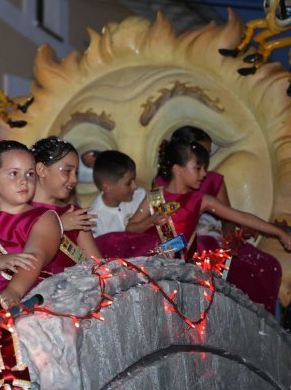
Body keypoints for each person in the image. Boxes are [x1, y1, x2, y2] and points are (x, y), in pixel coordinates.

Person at [126, 138, 291, 312]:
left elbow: (242, 217)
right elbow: (130, 228)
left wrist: (279, 232)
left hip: (184, 269)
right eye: (198, 168)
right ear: (178, 170)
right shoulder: (155, 197)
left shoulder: (200, 200)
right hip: (153, 265)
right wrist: (151, 220)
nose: (204, 174)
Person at [0, 139, 62, 306]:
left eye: (30, 174)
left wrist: (14, 291)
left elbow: (34, 258)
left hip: (26, 294)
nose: (24, 181)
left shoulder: (44, 218)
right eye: (14, 173)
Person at [30, 136, 102, 275]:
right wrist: (59, 226)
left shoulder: (74, 214)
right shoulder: (21, 212)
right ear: (41, 169)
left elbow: (96, 264)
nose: (74, 179)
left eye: (76, 173)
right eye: (67, 171)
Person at [153, 126, 230, 239]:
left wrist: (227, 242)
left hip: (208, 239)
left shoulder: (214, 181)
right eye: (200, 152)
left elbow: (229, 221)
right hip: (171, 241)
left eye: (207, 153)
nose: (204, 158)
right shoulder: (160, 184)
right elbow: (158, 222)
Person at [88, 150, 147, 236]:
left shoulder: (140, 195)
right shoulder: (94, 219)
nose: (134, 186)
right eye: (128, 183)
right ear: (107, 187)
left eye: (134, 180)